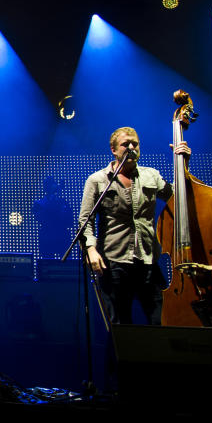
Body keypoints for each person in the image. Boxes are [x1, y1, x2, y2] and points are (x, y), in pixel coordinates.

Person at [79, 126, 190, 324]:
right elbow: (85, 220)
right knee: (121, 326)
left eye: (135, 144)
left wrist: (184, 166)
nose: (131, 147)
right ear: (113, 149)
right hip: (114, 261)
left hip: (148, 260)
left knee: (162, 319)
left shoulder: (152, 176)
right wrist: (90, 249)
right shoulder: (97, 180)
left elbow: (179, 198)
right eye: (125, 144)